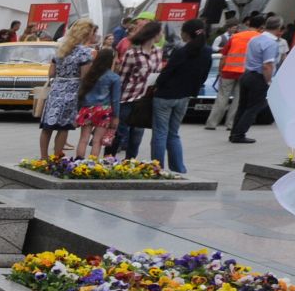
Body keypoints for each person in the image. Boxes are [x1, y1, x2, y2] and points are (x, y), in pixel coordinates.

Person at [149, 18, 210, 175]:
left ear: (186, 33)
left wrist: (157, 85)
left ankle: (157, 168)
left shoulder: (181, 51)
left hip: (165, 95)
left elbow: (167, 72)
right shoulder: (207, 51)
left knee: (160, 133)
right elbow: (203, 76)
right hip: (184, 96)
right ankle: (178, 168)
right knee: (174, 133)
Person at [39, 18, 97, 160]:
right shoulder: (84, 52)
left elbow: (51, 73)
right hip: (71, 91)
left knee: (48, 126)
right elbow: (85, 77)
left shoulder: (61, 48)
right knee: (63, 127)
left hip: (56, 89)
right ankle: (57, 158)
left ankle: (43, 157)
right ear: (86, 33)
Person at [112, 21, 164, 158]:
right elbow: (122, 77)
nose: (162, 35)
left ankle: (130, 163)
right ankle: (109, 159)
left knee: (136, 136)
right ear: (154, 34)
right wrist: (116, 101)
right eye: (160, 32)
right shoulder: (133, 53)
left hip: (145, 99)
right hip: (128, 97)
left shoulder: (158, 52)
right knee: (120, 133)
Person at [229, 12, 282, 144]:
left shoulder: (255, 39)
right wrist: (269, 81)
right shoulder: (271, 43)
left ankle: (234, 133)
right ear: (279, 28)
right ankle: (239, 134)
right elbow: (267, 65)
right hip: (258, 77)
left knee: (243, 106)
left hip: (246, 74)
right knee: (255, 106)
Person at [207, 13, 260, 131]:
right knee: (238, 99)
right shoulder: (259, 38)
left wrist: (220, 70)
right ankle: (230, 124)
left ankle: (212, 123)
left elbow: (224, 55)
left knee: (222, 97)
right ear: (261, 27)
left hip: (228, 71)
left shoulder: (235, 37)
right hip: (245, 73)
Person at [74, 48, 122, 159]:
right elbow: (115, 99)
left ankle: (78, 161)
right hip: (104, 110)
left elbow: (81, 93)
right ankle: (92, 164)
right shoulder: (114, 77)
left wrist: (77, 110)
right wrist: (116, 116)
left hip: (87, 109)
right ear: (111, 60)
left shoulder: (90, 74)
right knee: (97, 141)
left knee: (83, 139)